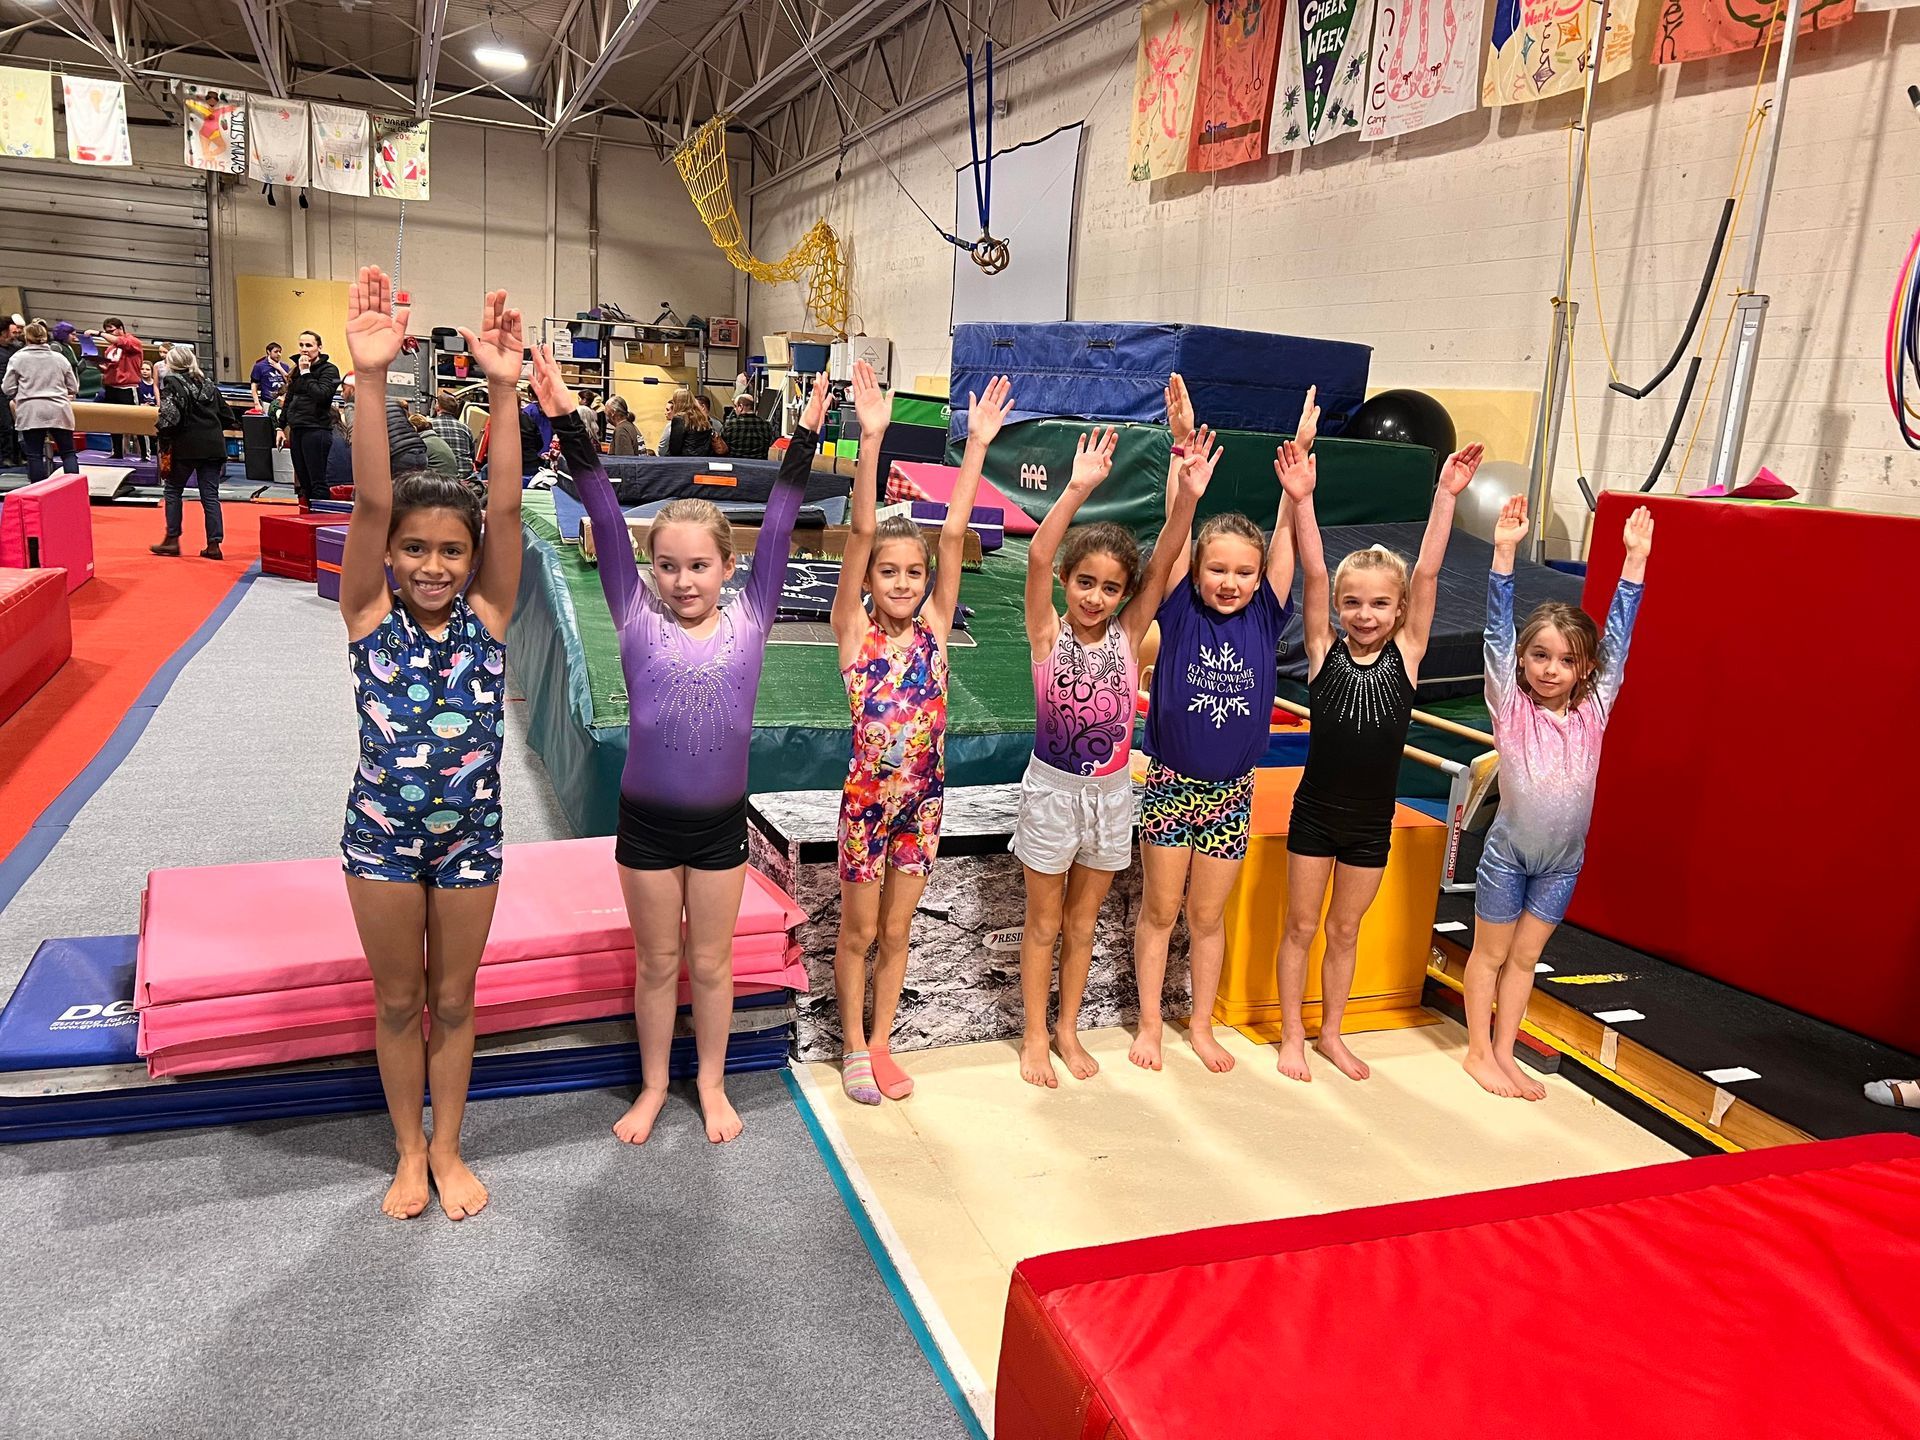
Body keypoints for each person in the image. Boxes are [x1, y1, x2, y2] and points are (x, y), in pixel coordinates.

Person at [565, 359, 831, 1146]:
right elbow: (607, 517)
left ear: (730, 567)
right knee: (656, 963)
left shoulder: (751, 619)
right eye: (668, 565)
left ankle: (709, 1084)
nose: (683, 580)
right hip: (645, 825)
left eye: (700, 565)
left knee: (710, 964)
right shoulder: (635, 621)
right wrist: (565, 424)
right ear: (650, 569)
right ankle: (652, 1086)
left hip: (718, 828)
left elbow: (782, 517)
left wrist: (808, 435)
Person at [336, 269, 525, 1221]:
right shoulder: (369, 614)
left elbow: (503, 515)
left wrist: (502, 392)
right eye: (417, 550)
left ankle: (447, 1146)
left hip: (471, 838)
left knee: (455, 1001)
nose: (434, 565)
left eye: (450, 552)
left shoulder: (490, 615)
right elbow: (373, 506)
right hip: (379, 836)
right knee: (397, 999)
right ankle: (406, 1150)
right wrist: (370, 380)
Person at [1271, 433, 1485, 1082]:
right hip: (1315, 814)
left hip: (1370, 820)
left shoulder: (1409, 654)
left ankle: (1331, 1032)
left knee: (1343, 931)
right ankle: (1290, 1035)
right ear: (1337, 608)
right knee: (1301, 926)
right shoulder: (1320, 649)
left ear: (1398, 612)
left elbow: (1426, 573)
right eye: (1353, 603)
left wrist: (1445, 499)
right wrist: (1301, 500)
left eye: (1379, 603)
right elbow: (1311, 570)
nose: (1365, 614)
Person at [829, 363, 1010, 1106]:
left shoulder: (937, 626)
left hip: (925, 804)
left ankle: (881, 1041)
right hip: (868, 804)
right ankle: (848, 1045)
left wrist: (977, 450)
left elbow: (957, 530)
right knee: (859, 932)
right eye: (889, 573)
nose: (904, 582)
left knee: (898, 933)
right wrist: (871, 441)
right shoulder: (852, 632)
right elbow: (866, 527)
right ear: (869, 581)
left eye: (914, 572)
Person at [1128, 379, 1307, 1075]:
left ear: (1261, 578)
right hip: (1173, 782)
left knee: (1207, 918)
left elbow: (1288, 539)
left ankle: (1200, 1026)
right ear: (1197, 572)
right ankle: (1149, 1023)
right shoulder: (1179, 609)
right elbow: (1172, 540)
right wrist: (1183, 456)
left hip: (1233, 792)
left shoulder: (1267, 613)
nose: (1230, 582)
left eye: (1244, 572)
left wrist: (1297, 483)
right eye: (1218, 570)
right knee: (1161, 910)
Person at [1015, 428, 1190, 1088]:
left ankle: (1066, 1028)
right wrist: (1078, 488)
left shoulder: (1129, 635)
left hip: (1112, 795)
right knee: (1043, 923)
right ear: (1067, 582)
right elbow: (1035, 558)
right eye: (1084, 582)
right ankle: (1035, 1035)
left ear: (1125, 596)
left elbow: (1171, 551)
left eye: (1109, 588)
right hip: (1053, 794)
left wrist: (1185, 486)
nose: (1094, 596)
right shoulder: (1045, 633)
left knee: (1082, 925)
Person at [1461, 498, 1652, 1099]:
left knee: (1524, 961)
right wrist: (1505, 553)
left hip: (1562, 863)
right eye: (1539, 656)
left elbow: (1618, 640)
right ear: (1521, 660)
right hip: (1507, 856)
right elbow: (1496, 632)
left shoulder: (1594, 710)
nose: (1550, 669)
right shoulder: (1512, 709)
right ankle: (1475, 1052)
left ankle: (1503, 1049)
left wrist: (1634, 564)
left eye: (1566, 661)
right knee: (1490, 956)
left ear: (1585, 669)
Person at [150, 344, 235, 560]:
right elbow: (228, 416)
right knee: (210, 497)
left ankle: (171, 540)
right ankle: (214, 544)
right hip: (213, 446)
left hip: (185, 447)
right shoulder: (208, 384)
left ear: (171, 364)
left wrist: (161, 431)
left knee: (173, 490)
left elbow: (171, 417)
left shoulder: (172, 383)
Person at [1, 321, 80, 483]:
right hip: (58, 408)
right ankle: (73, 490)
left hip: (32, 409)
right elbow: (73, 386)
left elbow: (7, 388)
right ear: (45, 337)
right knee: (68, 453)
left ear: (27, 338)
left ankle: (37, 494)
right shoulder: (59, 358)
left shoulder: (18, 358)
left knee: (35, 455)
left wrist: (21, 391)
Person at [281, 330, 341, 505]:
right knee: (303, 482)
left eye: (309, 345)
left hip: (317, 429)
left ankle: (321, 519)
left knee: (317, 480)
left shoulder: (330, 370)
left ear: (319, 347)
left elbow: (322, 396)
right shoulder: (296, 370)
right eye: (301, 345)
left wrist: (306, 372)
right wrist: (280, 426)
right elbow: (289, 398)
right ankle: (307, 516)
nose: (304, 349)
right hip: (297, 428)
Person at [94, 317, 144, 460]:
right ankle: (117, 452)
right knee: (114, 422)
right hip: (112, 387)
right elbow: (109, 368)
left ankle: (145, 454)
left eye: (111, 331)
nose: (108, 334)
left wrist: (98, 334)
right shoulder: (110, 349)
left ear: (120, 328)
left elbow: (120, 342)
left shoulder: (133, 342)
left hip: (128, 387)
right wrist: (99, 364)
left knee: (136, 421)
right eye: (106, 332)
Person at [429, 390, 476, 474]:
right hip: (465, 476)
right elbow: (472, 456)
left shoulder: (430, 425)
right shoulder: (465, 428)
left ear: (437, 407)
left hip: (440, 478)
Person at [0, 314, 26, 466]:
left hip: (14, 392)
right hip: (1, 393)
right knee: (5, 426)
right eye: (11, 332)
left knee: (18, 425)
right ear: (3, 333)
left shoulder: (15, 348)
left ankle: (19, 455)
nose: (14, 335)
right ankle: (6, 457)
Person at [662, 387, 718, 457]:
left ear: (677, 402)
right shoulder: (703, 418)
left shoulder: (679, 419)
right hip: (704, 459)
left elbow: (675, 449)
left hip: (686, 461)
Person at [409, 408, 462, 479]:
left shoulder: (422, 444)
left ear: (414, 428)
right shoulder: (438, 441)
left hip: (438, 485)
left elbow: (410, 468)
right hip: (450, 483)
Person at [720, 392, 774, 461]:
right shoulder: (766, 425)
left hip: (735, 464)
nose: (734, 409)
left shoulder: (730, 424)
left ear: (740, 407)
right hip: (759, 465)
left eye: (735, 406)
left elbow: (722, 446)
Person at [251, 341, 290, 413]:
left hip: (283, 402)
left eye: (280, 352)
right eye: (276, 352)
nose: (278, 354)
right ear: (268, 352)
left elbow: (290, 382)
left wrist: (280, 368)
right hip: (267, 401)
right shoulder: (259, 366)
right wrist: (257, 403)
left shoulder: (285, 366)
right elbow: (254, 386)